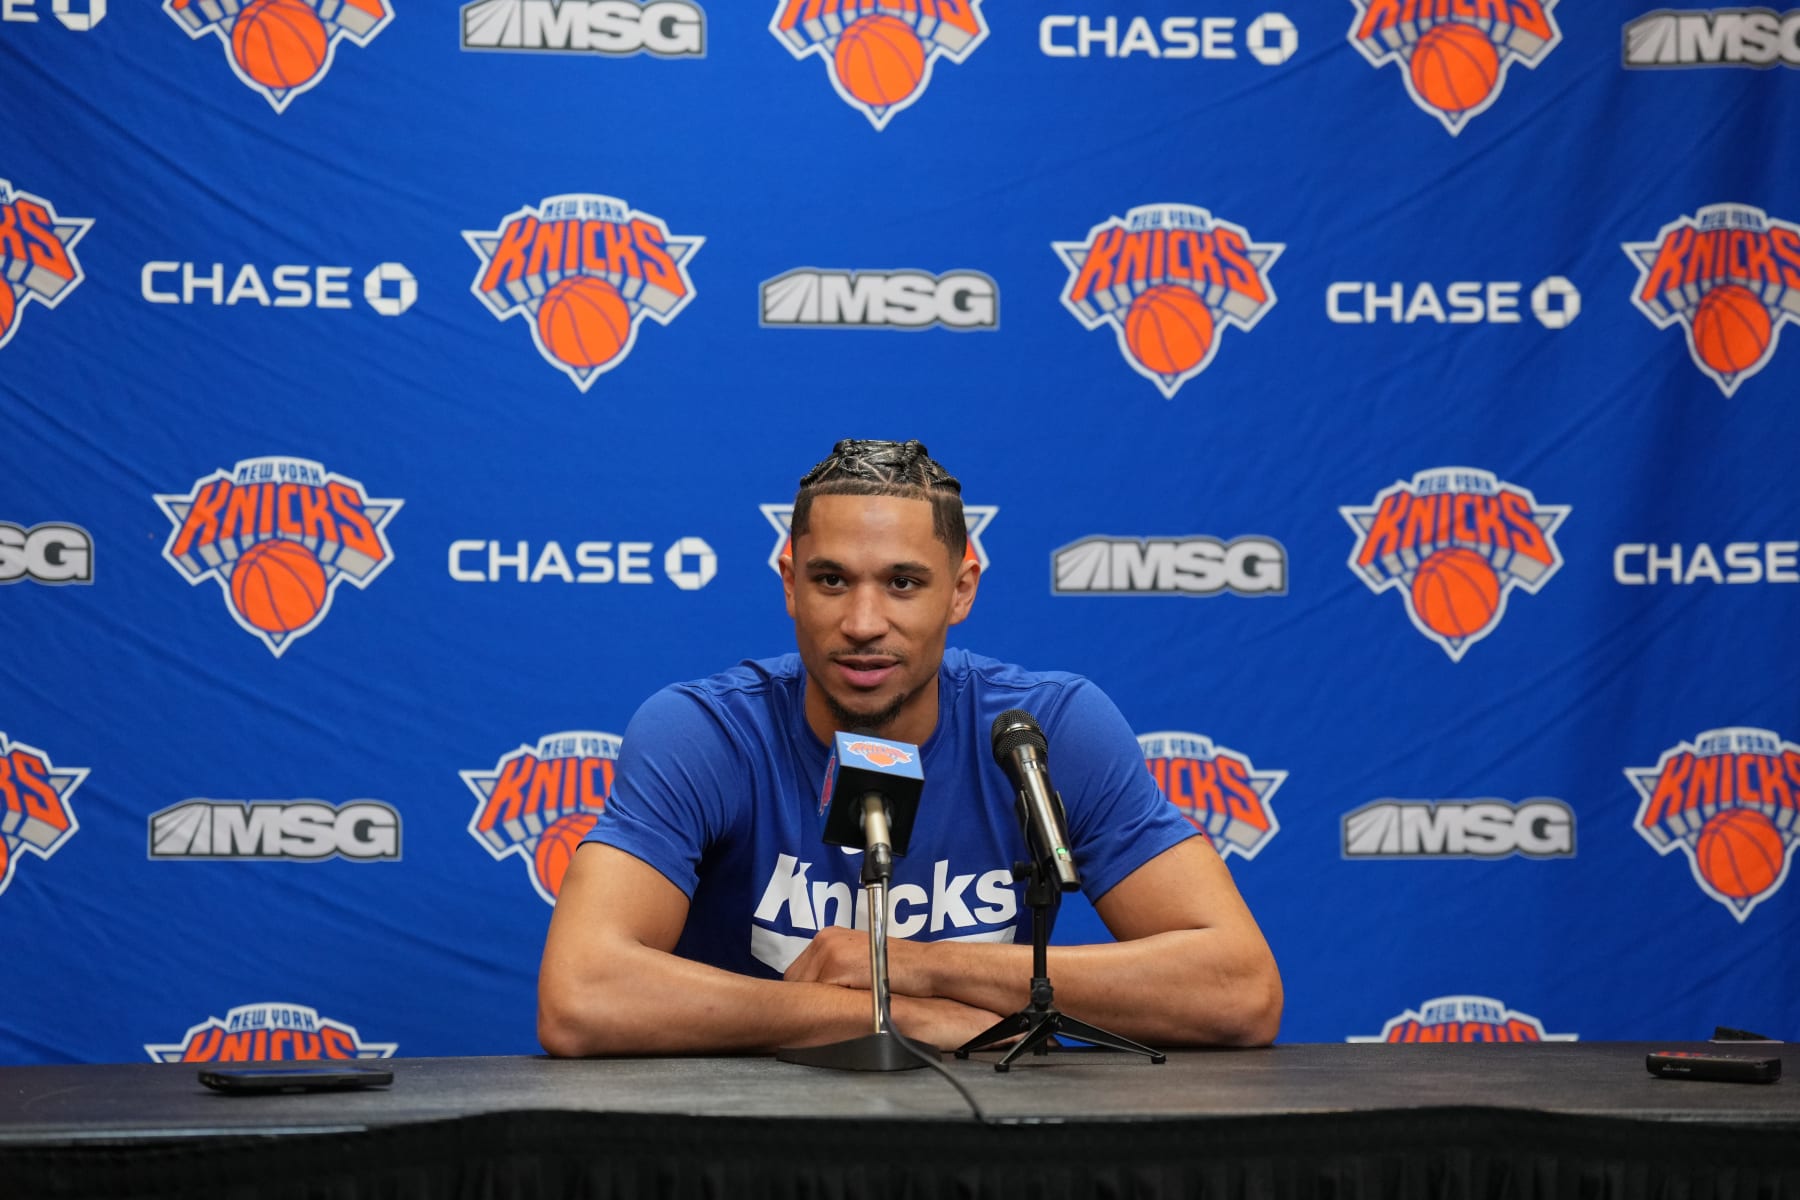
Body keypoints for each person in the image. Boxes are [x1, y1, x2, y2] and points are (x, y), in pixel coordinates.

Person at [538, 439, 1281, 1056]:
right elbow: (581, 997)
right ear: (790, 584)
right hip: (754, 1147)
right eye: (832, 580)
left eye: (903, 583)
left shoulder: (1047, 729)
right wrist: (896, 1017)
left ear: (961, 590)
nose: (863, 622)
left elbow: (1239, 993)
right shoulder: (703, 733)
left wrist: (915, 966)